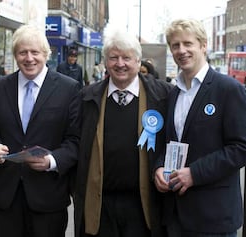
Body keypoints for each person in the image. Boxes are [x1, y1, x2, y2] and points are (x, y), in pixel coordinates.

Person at [154, 18, 246, 237]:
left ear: (203, 45)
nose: (182, 50)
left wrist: (195, 174)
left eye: (188, 43)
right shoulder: (173, 93)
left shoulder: (229, 89)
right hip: (175, 215)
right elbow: (168, 142)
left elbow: (242, 148)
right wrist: (158, 168)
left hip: (213, 217)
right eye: (175, 45)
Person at [74, 24, 173, 237]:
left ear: (138, 61)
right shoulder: (86, 97)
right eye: (113, 58)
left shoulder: (164, 96)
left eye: (126, 58)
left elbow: (174, 139)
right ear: (105, 62)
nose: (120, 64)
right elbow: (73, 143)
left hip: (144, 206)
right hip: (100, 207)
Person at [0, 24, 81, 237]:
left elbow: (75, 139)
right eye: (22, 52)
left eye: (35, 52)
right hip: (7, 197)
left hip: (48, 197)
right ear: (15, 55)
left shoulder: (69, 89)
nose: (29, 58)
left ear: (46, 54)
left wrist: (52, 161)